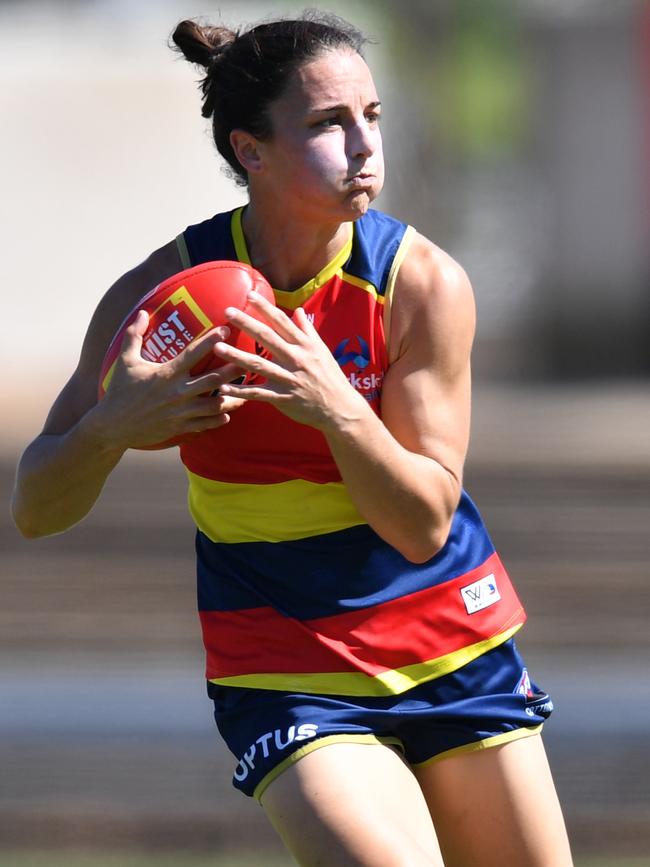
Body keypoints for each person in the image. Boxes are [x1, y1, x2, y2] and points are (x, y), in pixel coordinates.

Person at [12, 12, 573, 867]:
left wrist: (337, 405)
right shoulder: (165, 297)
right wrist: (107, 429)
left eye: (373, 117)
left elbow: (424, 523)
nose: (364, 145)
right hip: (285, 663)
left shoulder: (418, 285)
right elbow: (35, 508)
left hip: (453, 646)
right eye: (326, 123)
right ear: (251, 151)